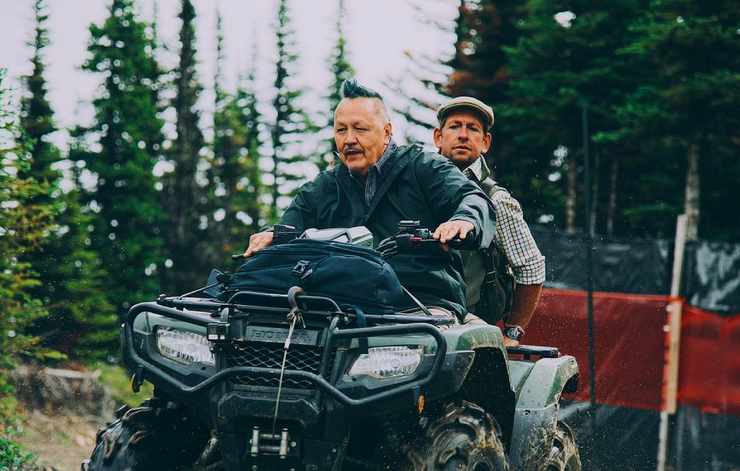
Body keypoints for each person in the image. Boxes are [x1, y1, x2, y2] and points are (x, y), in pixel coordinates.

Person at [244, 79, 496, 321]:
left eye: (360, 129)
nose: (349, 139)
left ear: (387, 132)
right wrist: (271, 236)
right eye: (341, 130)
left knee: (427, 340)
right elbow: (289, 227)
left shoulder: (426, 168)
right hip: (341, 306)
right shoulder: (323, 187)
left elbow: (473, 199)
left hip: (421, 305)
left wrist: (465, 220)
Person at [434, 96, 546, 346]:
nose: (463, 135)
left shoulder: (496, 200)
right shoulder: (413, 188)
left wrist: (513, 333)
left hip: (468, 335)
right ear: (438, 137)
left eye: (472, 128)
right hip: (411, 322)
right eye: (454, 126)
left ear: (485, 142)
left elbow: (531, 268)